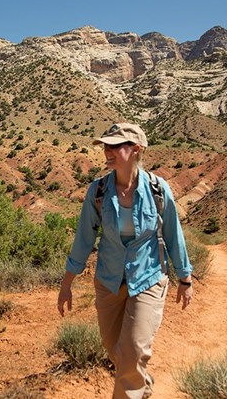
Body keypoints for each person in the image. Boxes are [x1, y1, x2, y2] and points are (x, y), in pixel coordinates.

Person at [57, 123, 194, 399]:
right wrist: (67, 283)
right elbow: (84, 239)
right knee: (115, 350)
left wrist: (185, 277)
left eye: (115, 146)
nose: (107, 151)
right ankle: (140, 384)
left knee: (132, 350)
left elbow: (173, 234)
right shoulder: (98, 192)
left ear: (135, 150)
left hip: (148, 278)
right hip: (108, 281)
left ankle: (132, 386)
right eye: (105, 146)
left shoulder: (158, 190)